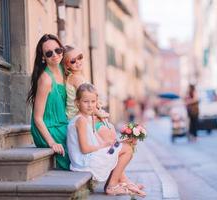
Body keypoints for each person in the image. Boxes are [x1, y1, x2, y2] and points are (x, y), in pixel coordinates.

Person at [67, 83, 146, 197]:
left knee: (121, 147)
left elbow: (96, 141)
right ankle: (112, 186)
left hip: (87, 157)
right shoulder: (81, 121)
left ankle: (116, 182)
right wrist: (105, 144)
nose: (90, 105)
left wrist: (112, 144)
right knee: (127, 150)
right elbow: (85, 149)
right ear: (77, 102)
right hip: (84, 161)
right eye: (86, 102)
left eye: (93, 102)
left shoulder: (86, 118)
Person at [27, 34, 70, 170]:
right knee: (80, 145)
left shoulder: (65, 71)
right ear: (43, 57)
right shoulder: (45, 79)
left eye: (58, 50)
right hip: (48, 128)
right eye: (49, 53)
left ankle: (119, 181)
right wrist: (52, 142)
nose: (55, 55)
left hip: (63, 124)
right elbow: (37, 118)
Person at [62, 45, 108, 120]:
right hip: (76, 117)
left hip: (83, 113)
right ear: (67, 66)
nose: (78, 62)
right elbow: (87, 98)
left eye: (79, 57)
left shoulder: (79, 76)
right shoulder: (76, 79)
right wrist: (99, 113)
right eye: (73, 61)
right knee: (107, 127)